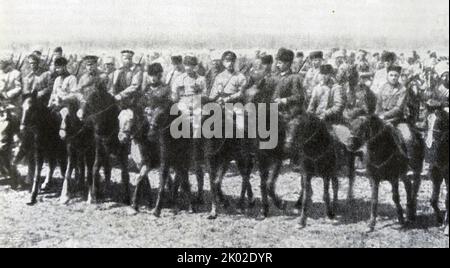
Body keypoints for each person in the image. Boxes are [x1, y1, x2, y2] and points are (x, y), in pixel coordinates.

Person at [268, 48, 305, 156]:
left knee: (291, 131)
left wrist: (284, 100)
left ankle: (291, 153)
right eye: (277, 62)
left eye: (280, 63)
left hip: (288, 111)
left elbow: (298, 96)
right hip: (273, 109)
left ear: (288, 63)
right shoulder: (275, 77)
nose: (277, 65)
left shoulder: (295, 78)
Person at [307, 64, 351, 150]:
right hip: (317, 118)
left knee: (335, 140)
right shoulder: (317, 88)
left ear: (330, 75)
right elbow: (312, 105)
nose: (323, 76)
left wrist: (325, 113)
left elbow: (339, 106)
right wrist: (309, 115)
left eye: (326, 74)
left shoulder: (336, 88)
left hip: (331, 120)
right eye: (322, 74)